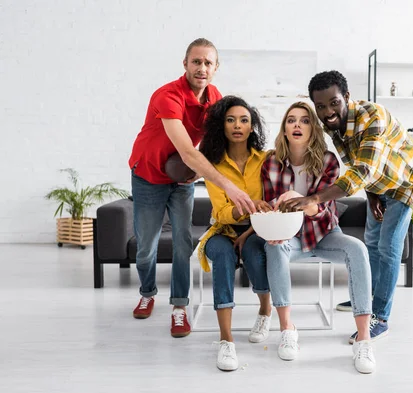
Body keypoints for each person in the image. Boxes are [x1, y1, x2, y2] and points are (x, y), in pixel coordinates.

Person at [280, 71, 413, 345]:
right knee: (370, 243)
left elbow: (363, 169)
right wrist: (371, 194)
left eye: (334, 103)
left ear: (346, 97)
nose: (328, 112)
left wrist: (314, 199)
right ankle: (365, 298)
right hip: (378, 184)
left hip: (405, 183)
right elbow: (357, 164)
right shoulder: (334, 126)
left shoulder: (373, 117)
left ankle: (379, 318)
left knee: (388, 249)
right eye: (320, 106)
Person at [128, 38, 256, 338]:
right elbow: (187, 151)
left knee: (184, 243)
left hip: (180, 180)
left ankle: (179, 307)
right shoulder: (167, 96)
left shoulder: (215, 99)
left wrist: (200, 177)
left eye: (208, 62)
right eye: (196, 61)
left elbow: (216, 145)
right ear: (185, 63)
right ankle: (147, 291)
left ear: (216, 68)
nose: (202, 68)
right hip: (148, 174)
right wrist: (229, 187)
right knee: (146, 247)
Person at [260, 102, 376, 374]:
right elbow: (271, 205)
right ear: (284, 128)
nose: (297, 125)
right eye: (291, 120)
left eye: (304, 120)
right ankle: (287, 328)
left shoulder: (328, 161)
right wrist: (277, 226)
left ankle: (364, 338)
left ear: (313, 128)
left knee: (357, 249)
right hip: (290, 235)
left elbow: (321, 210)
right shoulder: (271, 161)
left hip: (324, 233)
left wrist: (301, 202)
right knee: (273, 248)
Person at [197, 96, 273, 372]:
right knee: (220, 253)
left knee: (253, 250)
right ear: (222, 125)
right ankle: (226, 340)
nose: (237, 126)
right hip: (224, 229)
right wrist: (247, 211)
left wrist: (249, 228)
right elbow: (221, 212)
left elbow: (272, 203)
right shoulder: (213, 164)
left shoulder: (266, 159)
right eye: (230, 120)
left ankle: (265, 310)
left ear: (252, 127)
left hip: (260, 228)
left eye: (244, 120)